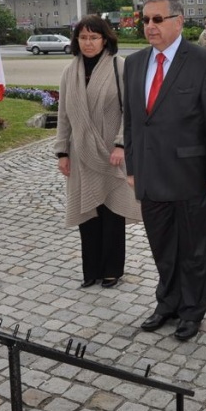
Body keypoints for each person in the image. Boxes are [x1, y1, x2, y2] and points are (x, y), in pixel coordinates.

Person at [123, 0, 206, 342]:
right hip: (150, 175)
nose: (150, 26)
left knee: (194, 250)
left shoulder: (204, 62)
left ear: (179, 21)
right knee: (162, 247)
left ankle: (192, 311)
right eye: (145, 20)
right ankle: (167, 303)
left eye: (158, 19)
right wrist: (132, 166)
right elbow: (133, 121)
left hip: (190, 176)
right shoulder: (135, 63)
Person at [54, 15, 142, 290]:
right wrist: (62, 152)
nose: (88, 43)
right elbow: (63, 115)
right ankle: (90, 271)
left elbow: (131, 110)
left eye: (94, 37)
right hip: (80, 153)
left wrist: (121, 145)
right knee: (87, 213)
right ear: (76, 40)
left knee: (112, 213)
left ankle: (112, 270)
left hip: (110, 152)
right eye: (83, 37)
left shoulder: (119, 66)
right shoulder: (70, 72)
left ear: (105, 40)